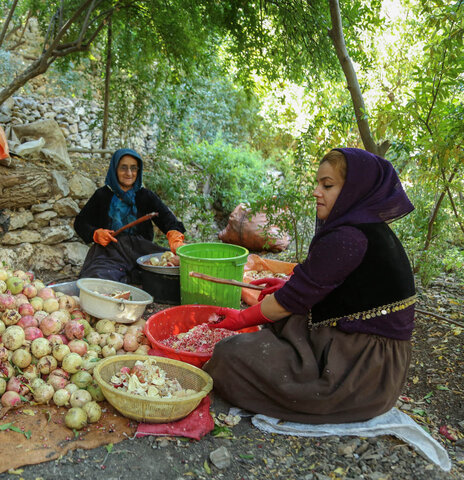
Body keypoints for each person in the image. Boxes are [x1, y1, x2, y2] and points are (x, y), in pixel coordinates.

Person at [204, 148, 416, 424]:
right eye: (318, 183)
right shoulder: (366, 228)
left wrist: (240, 318)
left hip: (362, 372)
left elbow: (290, 301)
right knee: (280, 322)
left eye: (327, 185)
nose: (317, 191)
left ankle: (304, 384)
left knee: (228, 356)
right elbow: (326, 284)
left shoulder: (349, 238)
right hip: (359, 347)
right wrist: (283, 284)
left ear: (355, 190)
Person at [74, 148, 186, 283]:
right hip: (110, 252)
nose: (129, 173)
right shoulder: (102, 195)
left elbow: (167, 219)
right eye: (123, 168)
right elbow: (80, 222)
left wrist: (175, 237)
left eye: (133, 168)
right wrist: (95, 233)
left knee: (172, 268)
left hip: (140, 250)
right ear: (114, 169)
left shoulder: (145, 196)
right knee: (98, 278)